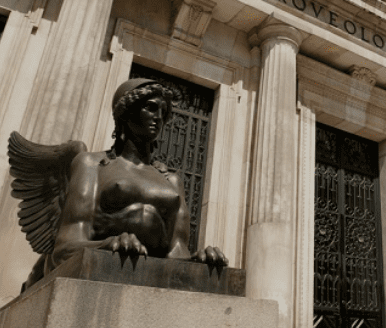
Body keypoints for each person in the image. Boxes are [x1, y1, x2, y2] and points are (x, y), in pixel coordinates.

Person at [10, 79, 227, 290]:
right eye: (150, 108)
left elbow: (176, 251)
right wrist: (107, 244)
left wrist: (198, 263)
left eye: (164, 111)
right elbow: (66, 247)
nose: (159, 117)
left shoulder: (172, 179)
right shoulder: (91, 164)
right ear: (127, 112)